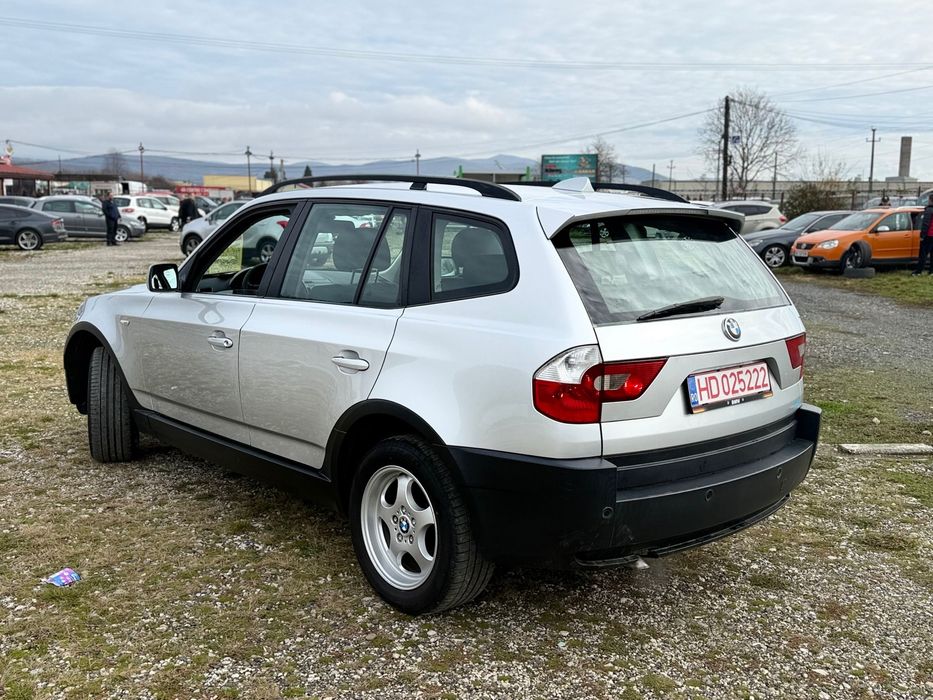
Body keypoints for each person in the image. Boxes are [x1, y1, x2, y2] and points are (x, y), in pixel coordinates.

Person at [912, 193, 933, 276]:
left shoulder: (929, 210)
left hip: (928, 235)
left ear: (930, 200)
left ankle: (919, 272)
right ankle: (931, 272)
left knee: (923, 254)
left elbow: (926, 224)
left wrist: (922, 236)